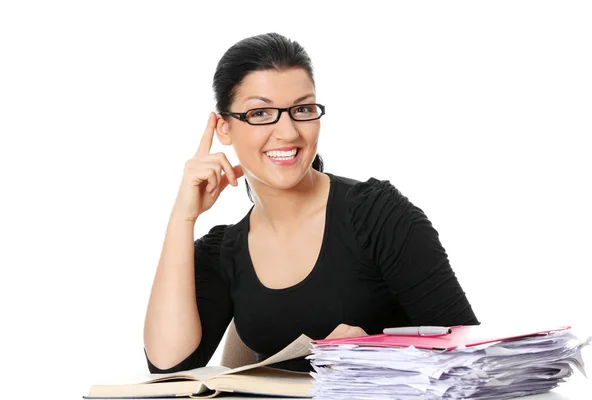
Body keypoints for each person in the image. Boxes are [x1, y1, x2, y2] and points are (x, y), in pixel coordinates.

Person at [143, 32, 479, 374]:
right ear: (223, 128)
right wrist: (182, 218)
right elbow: (168, 365)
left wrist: (376, 354)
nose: (288, 132)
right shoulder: (224, 251)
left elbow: (469, 359)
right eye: (261, 113)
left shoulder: (376, 215)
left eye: (302, 109)